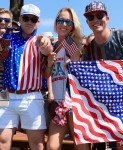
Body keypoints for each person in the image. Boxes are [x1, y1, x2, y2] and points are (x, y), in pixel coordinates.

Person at [82, 1, 123, 150]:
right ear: (87, 22)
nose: (95, 19)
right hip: (106, 112)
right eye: (91, 17)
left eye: (100, 15)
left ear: (107, 18)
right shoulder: (90, 49)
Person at [0, 4, 53, 150]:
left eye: (33, 19)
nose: (29, 22)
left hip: (31, 96)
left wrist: (45, 43)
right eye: (26, 18)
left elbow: (47, 49)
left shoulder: (39, 40)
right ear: (20, 19)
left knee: (37, 143)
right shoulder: (8, 38)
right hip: (6, 95)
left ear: (38, 22)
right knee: (2, 141)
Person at [46, 7, 90, 150]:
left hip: (73, 102)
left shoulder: (71, 43)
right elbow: (48, 74)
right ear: (55, 23)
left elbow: (76, 64)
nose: (63, 25)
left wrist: (73, 60)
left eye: (68, 22)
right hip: (58, 103)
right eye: (60, 20)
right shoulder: (52, 46)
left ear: (73, 26)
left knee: (81, 146)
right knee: (52, 147)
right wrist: (49, 63)